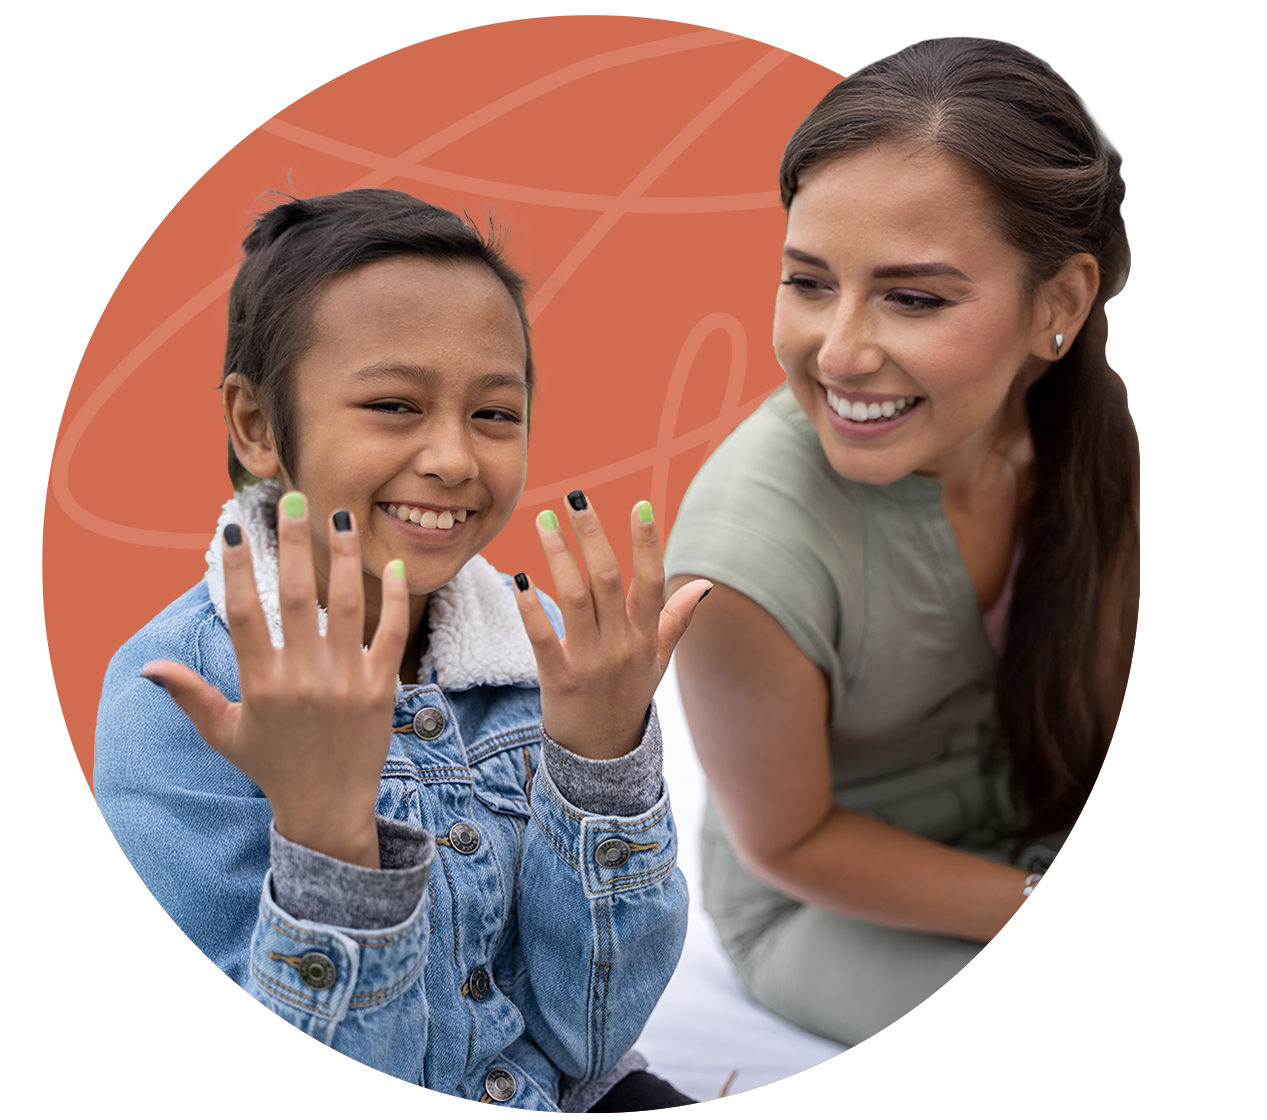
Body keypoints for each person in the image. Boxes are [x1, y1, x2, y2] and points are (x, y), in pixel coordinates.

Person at [94, 189, 708, 1111]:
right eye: (393, 404)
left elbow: (592, 1037)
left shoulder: (548, 663)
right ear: (258, 426)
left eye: (496, 414)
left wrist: (600, 768)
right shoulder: (177, 694)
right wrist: (328, 835)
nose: (456, 460)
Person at [663, 35, 1139, 1046]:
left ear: (1058, 305)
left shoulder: (1096, 435)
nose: (838, 351)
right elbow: (791, 841)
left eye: (912, 296)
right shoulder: (737, 565)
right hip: (827, 902)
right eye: (807, 281)